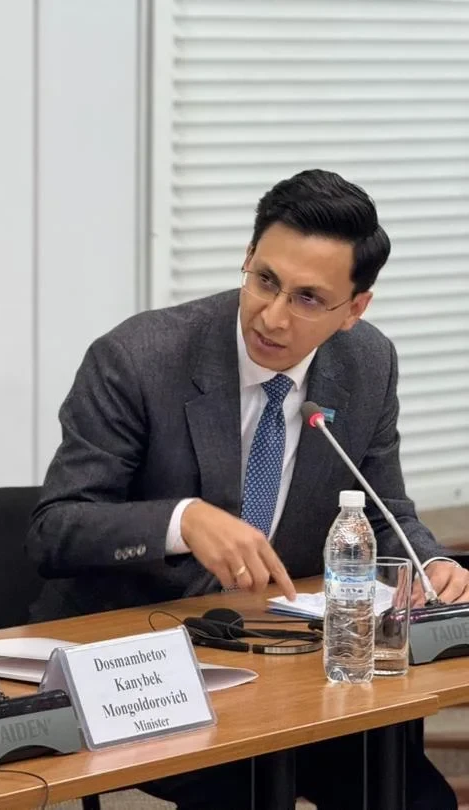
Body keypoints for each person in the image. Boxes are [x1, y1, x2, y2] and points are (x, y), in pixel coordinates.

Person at [27, 169, 462, 809]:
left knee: (415, 800)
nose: (273, 316)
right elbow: (55, 529)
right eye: (265, 280)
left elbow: (382, 508)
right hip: (150, 674)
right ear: (248, 258)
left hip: (292, 663)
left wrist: (431, 564)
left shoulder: (369, 363)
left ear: (354, 310)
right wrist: (180, 521)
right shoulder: (138, 358)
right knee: (250, 797)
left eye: (309, 299)